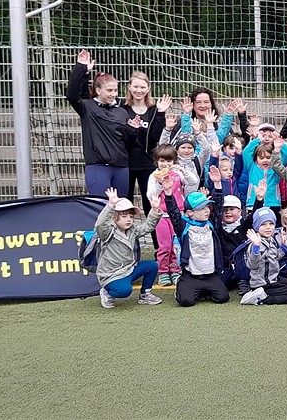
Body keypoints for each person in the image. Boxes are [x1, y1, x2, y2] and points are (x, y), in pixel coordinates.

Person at [67, 49, 138, 196]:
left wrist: (132, 130)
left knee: (121, 210)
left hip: (121, 167)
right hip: (98, 167)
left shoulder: (121, 112)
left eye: (116, 90)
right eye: (109, 90)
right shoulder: (88, 107)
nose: (114, 94)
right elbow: (72, 95)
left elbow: (128, 145)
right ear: (98, 91)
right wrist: (81, 68)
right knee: (101, 208)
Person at [92, 187, 164, 309]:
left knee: (152, 265)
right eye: (124, 216)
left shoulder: (132, 230)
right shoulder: (108, 232)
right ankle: (107, 293)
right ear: (114, 217)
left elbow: (147, 227)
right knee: (125, 291)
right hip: (111, 274)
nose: (129, 219)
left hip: (128, 269)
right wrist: (110, 205)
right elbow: (100, 224)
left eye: (130, 216)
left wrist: (154, 209)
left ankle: (145, 294)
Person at [161, 185, 230, 307]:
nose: (207, 210)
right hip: (191, 275)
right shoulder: (183, 226)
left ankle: (203, 291)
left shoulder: (211, 223)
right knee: (186, 301)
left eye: (207, 207)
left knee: (223, 297)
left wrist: (218, 185)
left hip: (210, 274)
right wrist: (168, 193)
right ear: (190, 213)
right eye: (201, 208)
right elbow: (174, 213)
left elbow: (218, 208)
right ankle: (181, 283)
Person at [146, 144, 199, 286]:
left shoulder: (178, 174)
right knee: (164, 246)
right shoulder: (154, 176)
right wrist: (159, 183)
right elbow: (150, 195)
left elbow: (194, 182)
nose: (165, 164)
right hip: (162, 216)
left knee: (177, 245)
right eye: (162, 161)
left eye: (169, 161)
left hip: (178, 215)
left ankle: (176, 270)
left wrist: (183, 170)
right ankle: (163, 272)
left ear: (174, 161)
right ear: (156, 162)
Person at [122, 71, 171, 214]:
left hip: (147, 163)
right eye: (135, 86)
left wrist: (161, 113)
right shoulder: (122, 108)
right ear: (129, 87)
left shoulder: (154, 110)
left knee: (150, 203)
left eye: (143, 87)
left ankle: (156, 236)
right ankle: (127, 236)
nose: (139, 90)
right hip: (126, 164)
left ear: (148, 89)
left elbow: (155, 137)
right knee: (126, 204)